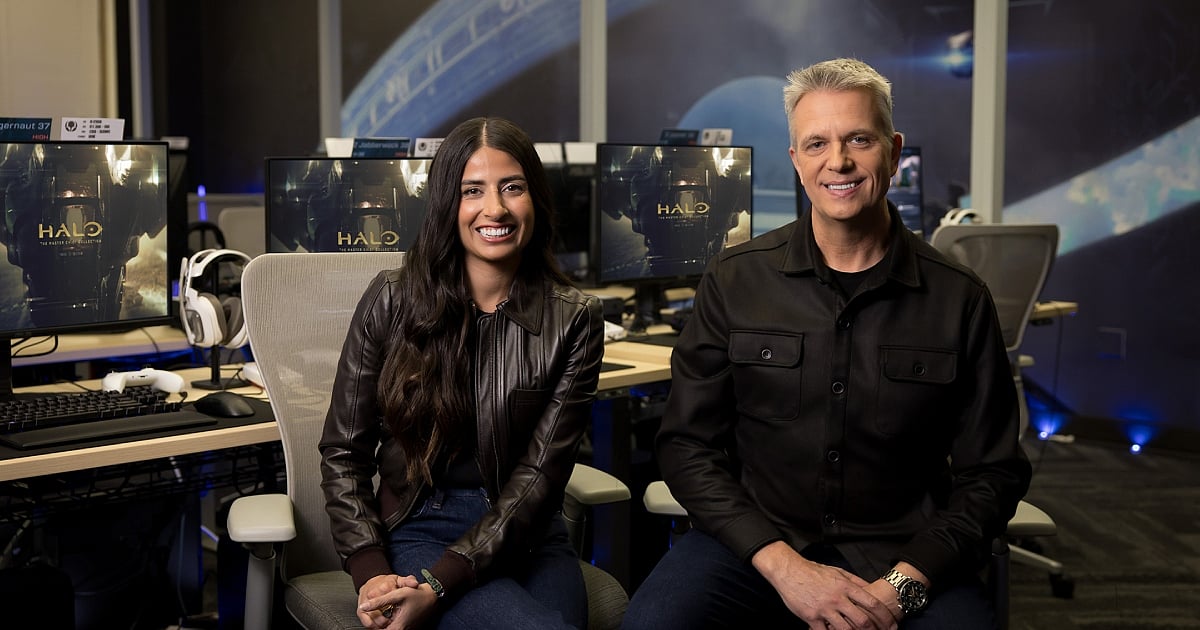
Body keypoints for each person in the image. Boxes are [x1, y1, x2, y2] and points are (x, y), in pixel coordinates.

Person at [623, 58, 1032, 629]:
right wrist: (784, 567)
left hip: (904, 558)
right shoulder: (735, 280)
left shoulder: (958, 297)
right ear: (796, 160)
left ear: (892, 150)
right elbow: (687, 447)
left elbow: (994, 474)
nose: (837, 161)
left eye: (858, 140)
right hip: (759, 550)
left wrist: (904, 586)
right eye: (816, 143)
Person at [319, 116, 605, 629]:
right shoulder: (391, 299)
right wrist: (369, 568)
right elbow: (344, 451)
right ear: (448, 205)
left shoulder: (574, 318)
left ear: (535, 197)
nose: (494, 208)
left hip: (527, 532)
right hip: (420, 525)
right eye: (472, 190)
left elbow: (539, 477)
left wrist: (439, 583)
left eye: (512, 187)